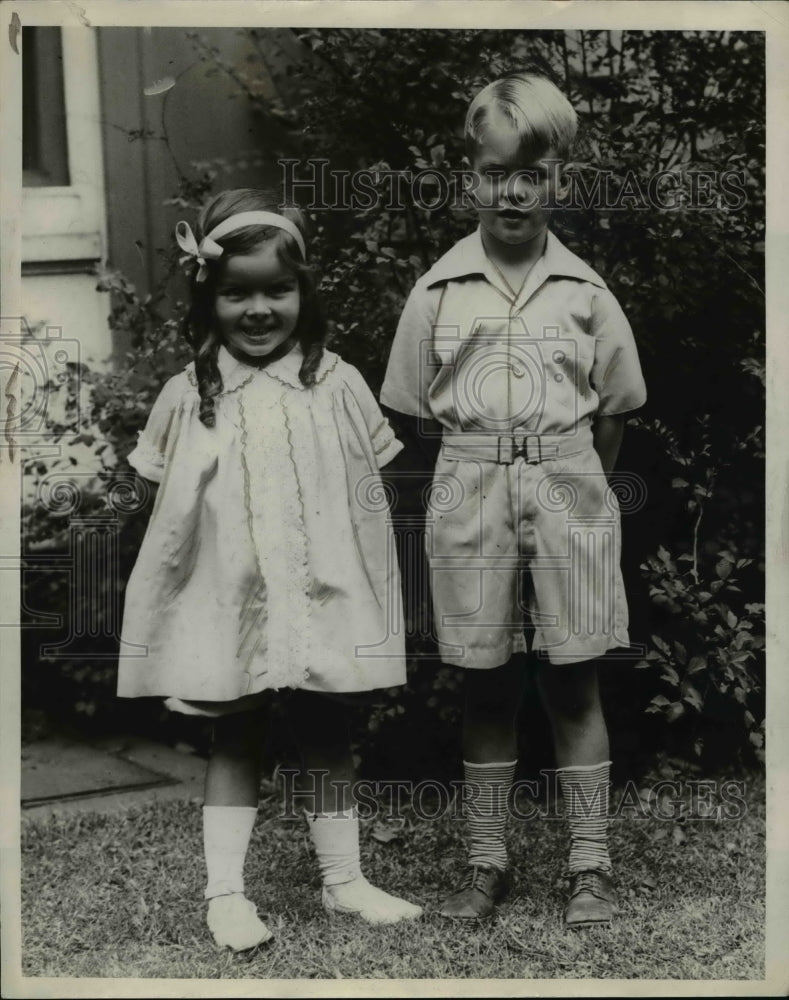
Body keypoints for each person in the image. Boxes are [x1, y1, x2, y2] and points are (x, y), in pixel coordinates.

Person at [117, 188, 422, 952]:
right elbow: (150, 493)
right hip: (232, 601)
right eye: (236, 292)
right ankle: (226, 894)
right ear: (207, 297)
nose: (258, 309)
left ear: (302, 293)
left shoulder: (338, 383)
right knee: (236, 736)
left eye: (276, 290)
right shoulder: (189, 396)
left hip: (316, 594)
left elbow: (379, 480)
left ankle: (344, 880)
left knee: (325, 727)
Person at [381, 73, 647, 927]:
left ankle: (591, 869)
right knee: (484, 686)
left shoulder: (587, 294)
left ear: (558, 182)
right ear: (470, 177)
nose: (512, 191)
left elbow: (611, 418)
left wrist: (568, 482)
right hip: (470, 486)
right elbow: (414, 421)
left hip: (567, 483)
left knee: (573, 683)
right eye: (496, 172)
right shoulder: (435, 293)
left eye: (531, 175)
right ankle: (484, 863)